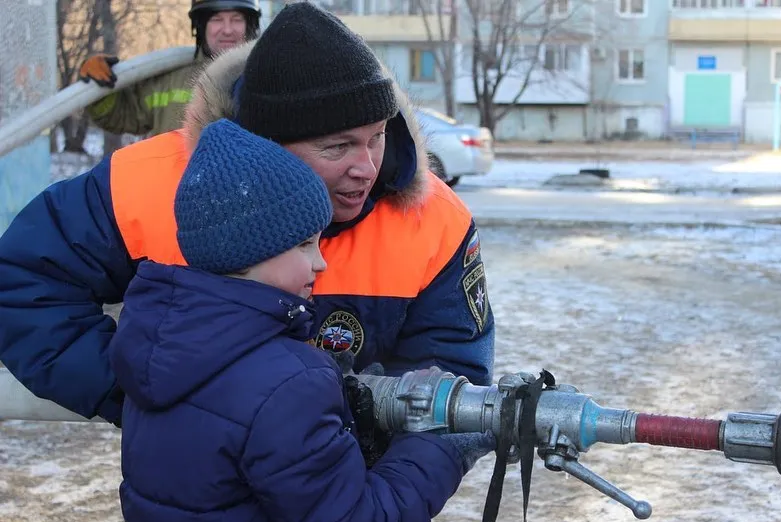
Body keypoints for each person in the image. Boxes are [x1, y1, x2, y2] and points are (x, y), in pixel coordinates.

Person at [0, 2, 492, 445]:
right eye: (337, 147)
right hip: (198, 503)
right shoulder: (148, 184)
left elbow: (454, 373)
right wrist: (136, 394)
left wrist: (387, 496)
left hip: (361, 502)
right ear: (264, 144)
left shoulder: (435, 220)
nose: (366, 167)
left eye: (377, 137)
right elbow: (25, 285)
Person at [111, 117, 495, 522]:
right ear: (249, 250)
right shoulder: (290, 382)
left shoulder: (154, 348)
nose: (320, 264)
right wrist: (441, 445)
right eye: (305, 245)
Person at [79, 0, 261, 136]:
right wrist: (99, 89)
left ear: (250, 24)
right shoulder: (168, 77)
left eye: (236, 19)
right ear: (200, 25)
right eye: (217, 19)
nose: (227, 30)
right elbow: (122, 116)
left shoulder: (268, 76)